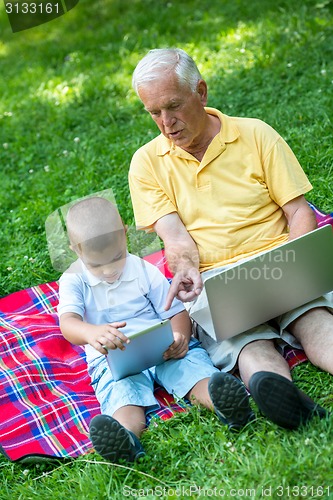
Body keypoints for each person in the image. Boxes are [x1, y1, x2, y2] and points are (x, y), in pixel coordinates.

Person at [129, 48, 332, 430]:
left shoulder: (256, 134)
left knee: (315, 321)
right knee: (247, 343)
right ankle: (281, 398)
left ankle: (279, 382)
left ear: (201, 93)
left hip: (279, 258)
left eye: (173, 106)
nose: (165, 123)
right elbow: (174, 237)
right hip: (217, 281)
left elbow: (298, 212)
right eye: (154, 112)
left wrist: (296, 262)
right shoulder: (146, 163)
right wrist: (186, 270)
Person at [57, 196, 254, 463]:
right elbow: (68, 324)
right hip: (114, 359)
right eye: (96, 265)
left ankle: (227, 404)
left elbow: (175, 312)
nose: (108, 271)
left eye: (116, 257)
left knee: (192, 370)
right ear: (76, 251)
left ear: (125, 234)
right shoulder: (72, 280)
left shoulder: (142, 269)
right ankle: (124, 439)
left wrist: (180, 337)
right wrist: (91, 333)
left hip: (162, 346)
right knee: (123, 397)